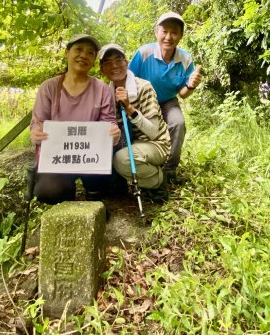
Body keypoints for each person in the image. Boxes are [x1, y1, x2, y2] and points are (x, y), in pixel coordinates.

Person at [30, 34, 121, 204]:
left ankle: (93, 200)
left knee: (109, 182)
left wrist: (113, 133)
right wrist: (35, 134)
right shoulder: (49, 87)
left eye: (90, 53)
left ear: (94, 60)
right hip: (57, 159)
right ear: (67, 53)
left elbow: (109, 124)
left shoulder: (101, 89)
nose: (83, 55)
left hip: (90, 157)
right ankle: (67, 200)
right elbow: (37, 124)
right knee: (49, 191)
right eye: (78, 49)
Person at [129, 12, 202, 183]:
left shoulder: (185, 59)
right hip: (143, 102)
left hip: (168, 101)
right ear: (156, 32)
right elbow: (129, 80)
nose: (169, 37)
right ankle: (139, 165)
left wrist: (191, 84)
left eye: (174, 32)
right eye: (164, 31)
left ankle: (169, 170)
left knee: (178, 123)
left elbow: (183, 94)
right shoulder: (144, 53)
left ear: (181, 35)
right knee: (142, 128)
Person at [99, 43, 171, 191]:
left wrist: (129, 107)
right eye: (107, 63)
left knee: (121, 160)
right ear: (102, 69)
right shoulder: (106, 94)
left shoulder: (143, 87)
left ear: (126, 62)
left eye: (118, 60)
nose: (114, 66)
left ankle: (157, 179)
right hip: (129, 144)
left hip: (155, 144)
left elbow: (153, 132)